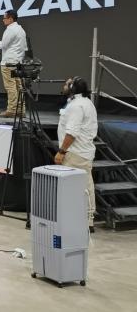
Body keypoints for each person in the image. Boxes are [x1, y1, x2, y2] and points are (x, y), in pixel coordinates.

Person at [55, 77, 98, 229]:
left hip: (75, 154)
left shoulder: (76, 106)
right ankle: (87, 221)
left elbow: (72, 133)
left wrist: (61, 151)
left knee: (82, 188)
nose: (64, 85)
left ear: (73, 88)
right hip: (81, 152)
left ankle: (86, 222)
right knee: (85, 186)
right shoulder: (85, 102)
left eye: (67, 84)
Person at [0, 9, 28, 118]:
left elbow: (3, 45)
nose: (3, 20)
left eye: (4, 18)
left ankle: (12, 110)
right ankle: (21, 109)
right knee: (18, 86)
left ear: (10, 19)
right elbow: (24, 47)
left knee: (11, 87)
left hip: (8, 63)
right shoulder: (21, 30)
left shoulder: (10, 30)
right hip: (18, 62)